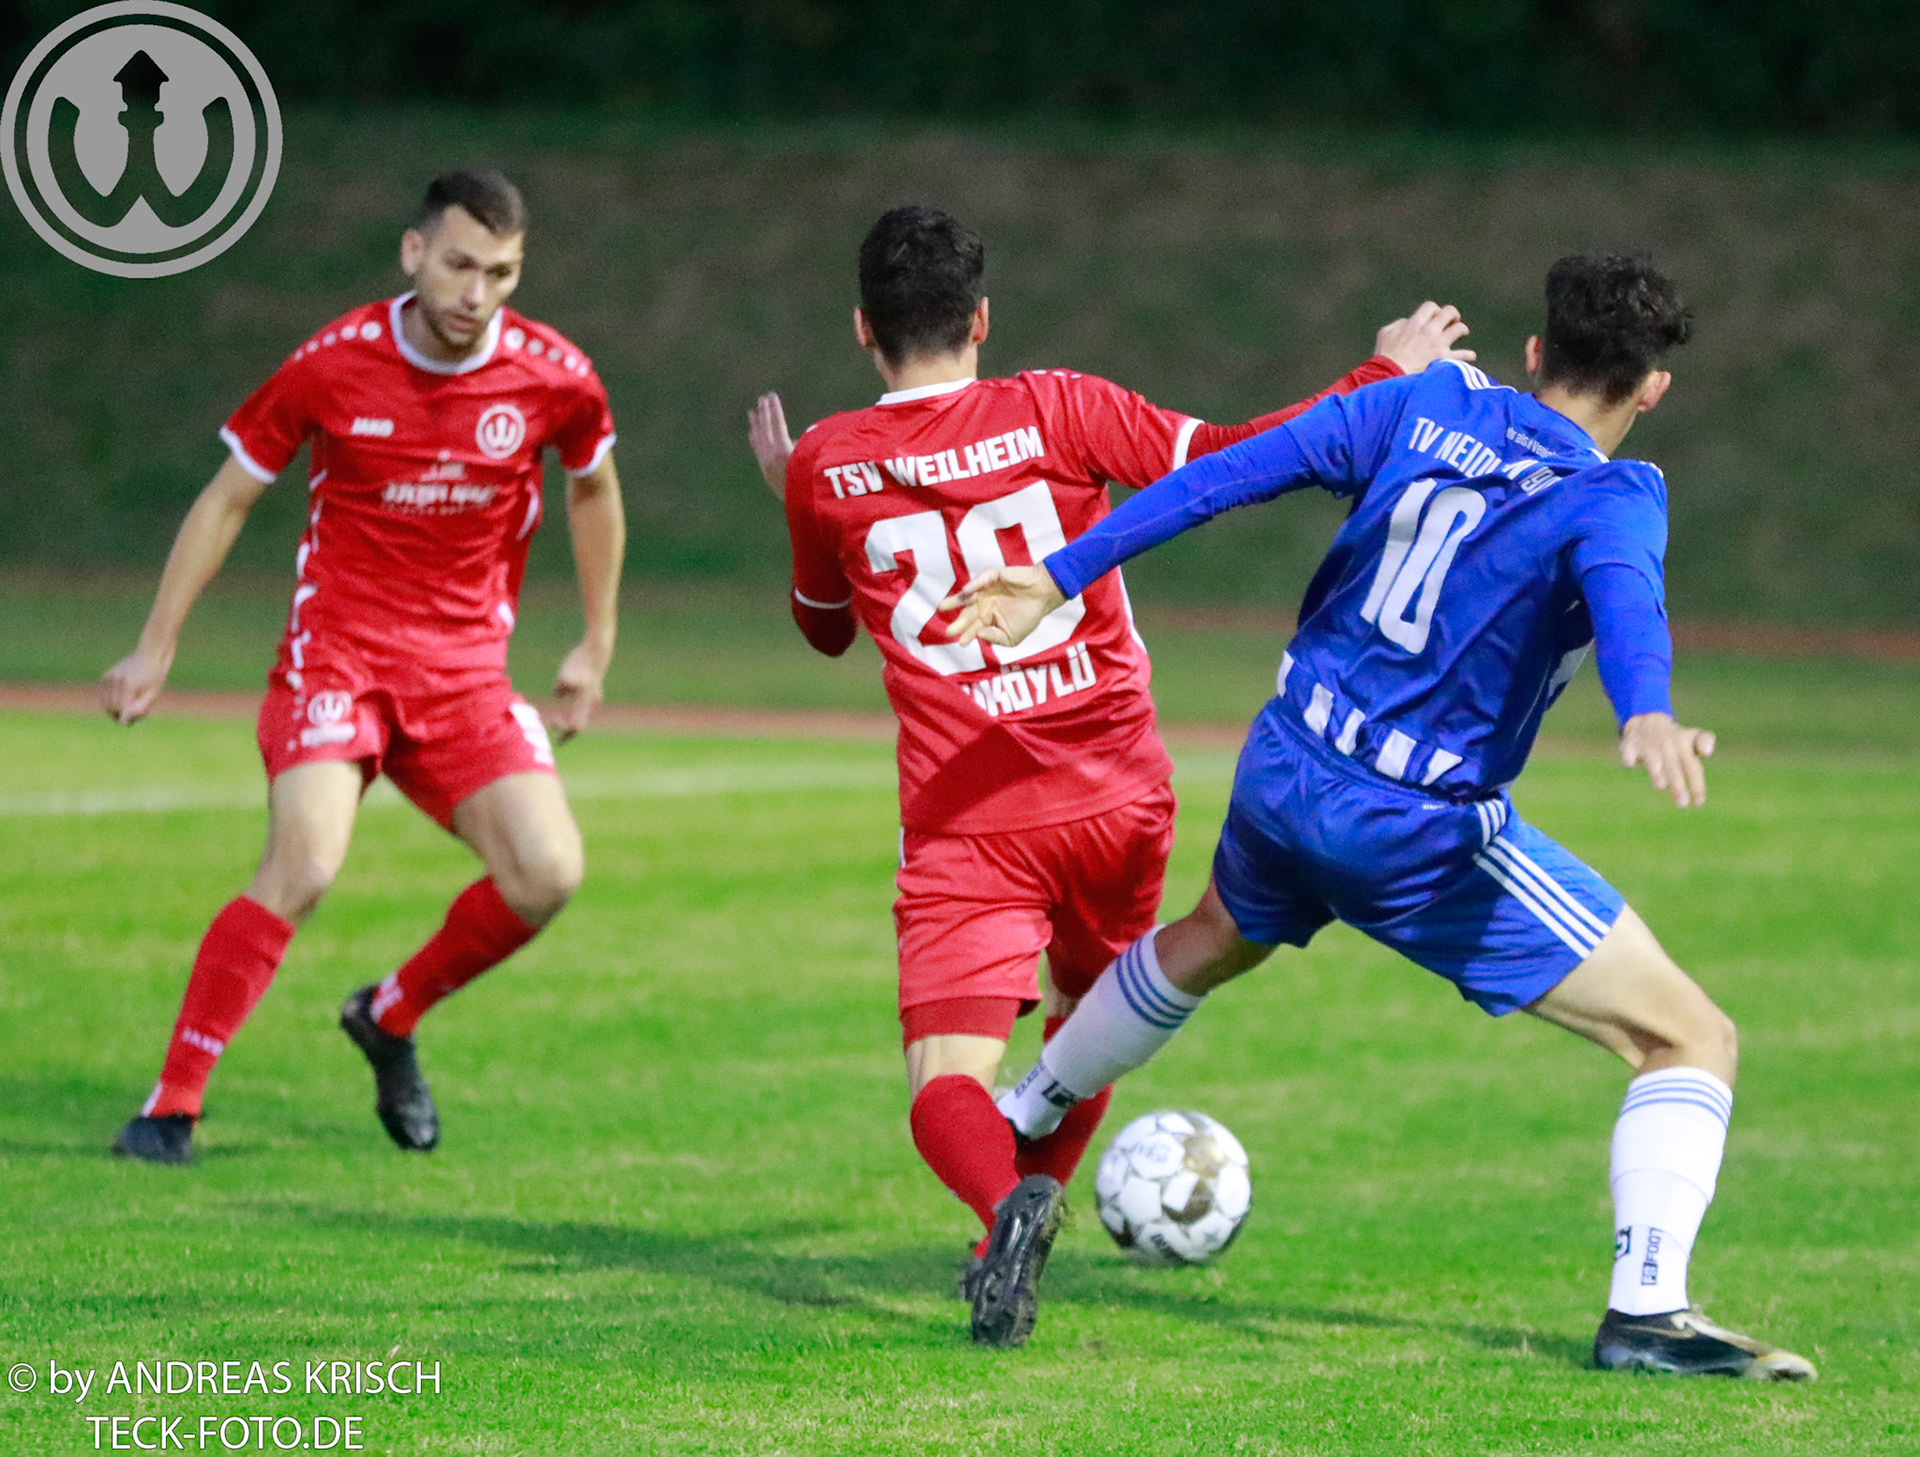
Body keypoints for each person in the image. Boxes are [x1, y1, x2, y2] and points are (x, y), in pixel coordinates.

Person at [947, 254, 1816, 1380]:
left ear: (1535, 352)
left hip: (1288, 761)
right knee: (1689, 1037)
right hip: (1409, 829)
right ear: (1652, 390)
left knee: (1218, 934)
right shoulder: (1614, 494)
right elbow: (1625, 597)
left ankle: (1028, 1104)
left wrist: (1060, 573)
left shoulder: (1423, 401)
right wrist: (1645, 707)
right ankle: (1647, 1309)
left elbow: (1228, 477)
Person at [746, 203, 1473, 1346]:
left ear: (862, 329)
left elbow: (824, 630)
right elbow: (1239, 453)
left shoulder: (826, 462)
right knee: (1092, 1028)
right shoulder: (1058, 406)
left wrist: (795, 491)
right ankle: (1006, 1244)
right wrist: (1378, 374)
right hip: (1116, 791)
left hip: (968, 812)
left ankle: (1005, 1208)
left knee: (945, 1079)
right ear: (981, 318)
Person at [102, 169, 625, 1166]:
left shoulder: (554, 376)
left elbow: (593, 487)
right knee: (305, 862)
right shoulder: (334, 363)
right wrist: (156, 643)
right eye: (460, 264)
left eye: (501, 273)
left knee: (548, 871)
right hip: (335, 660)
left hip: (465, 676)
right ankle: (170, 1106)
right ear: (414, 252)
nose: (476, 292)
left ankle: (389, 1014)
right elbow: (226, 499)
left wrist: (594, 642)